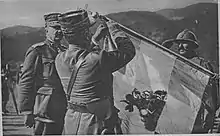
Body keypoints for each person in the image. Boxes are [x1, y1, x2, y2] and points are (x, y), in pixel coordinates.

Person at [55, 10, 136, 135]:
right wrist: (115, 30)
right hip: (95, 122)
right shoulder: (98, 59)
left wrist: (94, 39)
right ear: (85, 33)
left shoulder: (59, 58)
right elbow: (128, 51)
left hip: (71, 119)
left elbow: (82, 54)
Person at [18, 12, 67, 135]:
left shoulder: (66, 52)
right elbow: (26, 81)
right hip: (45, 107)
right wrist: (26, 111)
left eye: (62, 28)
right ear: (46, 29)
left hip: (64, 108)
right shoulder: (37, 51)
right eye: (55, 28)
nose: (59, 31)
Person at [162, 29, 218, 133]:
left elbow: (210, 94)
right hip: (175, 115)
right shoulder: (175, 63)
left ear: (193, 46)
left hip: (195, 117)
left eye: (184, 43)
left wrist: (209, 115)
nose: (180, 46)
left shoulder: (202, 65)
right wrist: (165, 46)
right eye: (178, 43)